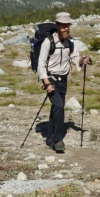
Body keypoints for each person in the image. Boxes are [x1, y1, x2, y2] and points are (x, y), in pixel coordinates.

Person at [37, 12, 91, 152]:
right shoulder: (48, 41)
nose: (66, 28)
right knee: (60, 107)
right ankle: (58, 140)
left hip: (63, 81)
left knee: (56, 108)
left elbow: (74, 58)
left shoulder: (70, 42)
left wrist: (82, 60)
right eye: (63, 26)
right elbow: (41, 64)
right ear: (57, 26)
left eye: (68, 25)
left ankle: (49, 139)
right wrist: (47, 83)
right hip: (51, 80)